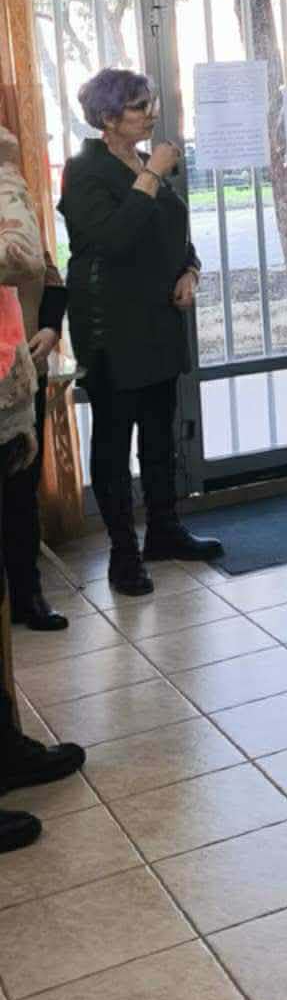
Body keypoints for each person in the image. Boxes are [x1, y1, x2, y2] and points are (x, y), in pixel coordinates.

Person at [59, 69, 223, 596]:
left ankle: (165, 530)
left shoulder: (147, 165)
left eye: (150, 104)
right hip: (111, 325)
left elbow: (176, 235)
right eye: (138, 107)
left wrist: (191, 271)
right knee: (114, 439)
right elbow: (113, 239)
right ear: (108, 118)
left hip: (158, 320)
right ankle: (122, 554)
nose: (151, 114)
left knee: (159, 432)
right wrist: (152, 173)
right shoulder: (85, 170)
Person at [0, 168, 87, 854]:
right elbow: (21, 253)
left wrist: (49, 329)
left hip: (8, 396)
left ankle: (6, 747)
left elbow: (42, 271)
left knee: (16, 522)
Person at [0, 125, 68, 629]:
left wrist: (50, 325)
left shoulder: (6, 180)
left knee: (20, 493)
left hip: (14, 369)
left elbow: (42, 266)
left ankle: (28, 595)